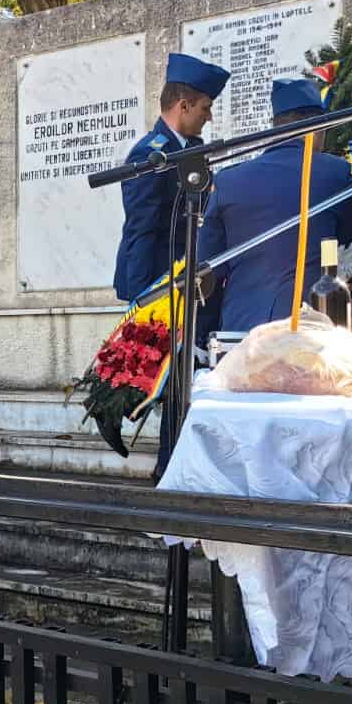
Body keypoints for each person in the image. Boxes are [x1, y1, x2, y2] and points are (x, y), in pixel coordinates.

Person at [112, 53, 229, 480]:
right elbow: (142, 229)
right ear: (183, 105)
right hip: (160, 287)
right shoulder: (150, 154)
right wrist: (148, 297)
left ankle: (177, 472)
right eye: (205, 107)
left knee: (184, 384)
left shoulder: (193, 152)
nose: (209, 117)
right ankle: (168, 476)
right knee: (163, 383)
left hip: (189, 286)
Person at [198, 77, 352, 338]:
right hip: (308, 329)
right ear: (318, 126)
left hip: (242, 333)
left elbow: (207, 273)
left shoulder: (227, 180)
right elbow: (349, 247)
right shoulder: (336, 173)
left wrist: (202, 337)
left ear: (275, 126)